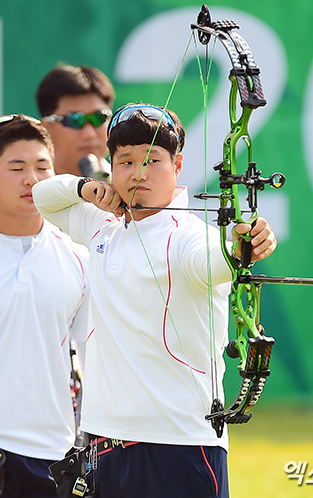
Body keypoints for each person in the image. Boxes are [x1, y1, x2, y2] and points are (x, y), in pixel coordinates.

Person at [32, 103, 278, 498]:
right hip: (104, 444)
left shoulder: (188, 236)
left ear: (177, 165)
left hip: (178, 447)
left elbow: (215, 260)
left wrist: (243, 247)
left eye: (152, 160)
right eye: (125, 161)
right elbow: (43, 197)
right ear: (111, 165)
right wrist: (85, 187)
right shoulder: (102, 225)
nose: (137, 173)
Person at [0, 115, 89, 497]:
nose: (31, 180)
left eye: (42, 167)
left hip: (53, 453)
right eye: (16, 167)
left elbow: (94, 354)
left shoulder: (78, 256)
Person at [36, 64, 115, 180]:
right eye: (75, 120)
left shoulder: (130, 189)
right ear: (46, 128)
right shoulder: (29, 192)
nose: (89, 134)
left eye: (99, 118)